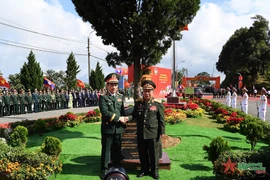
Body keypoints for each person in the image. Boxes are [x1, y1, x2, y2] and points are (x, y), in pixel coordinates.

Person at [127, 80, 165, 179]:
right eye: (145, 91)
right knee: (142, 153)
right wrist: (127, 118)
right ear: (142, 92)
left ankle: (154, 171)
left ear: (153, 92)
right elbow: (134, 115)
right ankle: (144, 170)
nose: (147, 93)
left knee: (154, 154)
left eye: (149, 91)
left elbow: (161, 119)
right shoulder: (139, 103)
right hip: (141, 132)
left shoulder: (157, 104)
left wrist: (162, 132)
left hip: (153, 133)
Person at [99, 73, 127, 179]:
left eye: (115, 84)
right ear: (107, 85)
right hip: (108, 129)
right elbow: (105, 113)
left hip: (118, 129)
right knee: (106, 150)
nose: (114, 87)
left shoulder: (120, 97)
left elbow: (122, 112)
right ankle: (104, 170)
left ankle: (116, 168)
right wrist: (119, 118)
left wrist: (126, 118)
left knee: (117, 149)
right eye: (111, 85)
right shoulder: (103, 98)